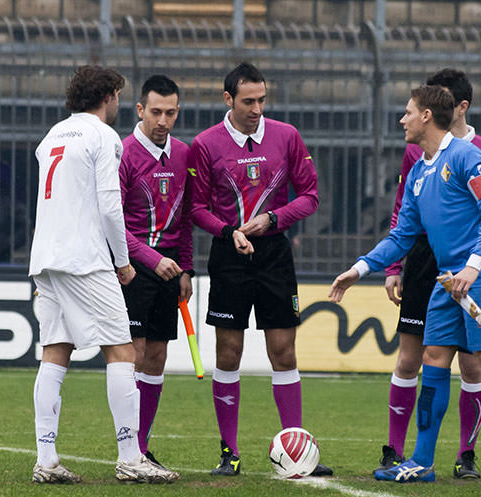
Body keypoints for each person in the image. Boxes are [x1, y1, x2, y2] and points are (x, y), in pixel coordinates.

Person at [330, 85, 481, 486]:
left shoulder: (469, 158)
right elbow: (403, 235)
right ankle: (421, 459)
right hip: (447, 280)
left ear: (426, 117)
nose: (401, 120)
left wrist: (473, 266)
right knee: (433, 357)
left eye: (407, 112)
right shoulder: (419, 170)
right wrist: (361, 268)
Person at [28, 65, 179, 484]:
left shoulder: (52, 136)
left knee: (55, 352)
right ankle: (131, 458)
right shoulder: (103, 136)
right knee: (122, 352)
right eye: (117, 96)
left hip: (46, 257)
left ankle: (46, 459)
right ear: (109, 96)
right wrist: (122, 261)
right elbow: (110, 206)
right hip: (85, 258)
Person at [188, 62, 332, 477]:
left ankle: (297, 451)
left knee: (283, 352)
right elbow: (197, 207)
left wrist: (273, 220)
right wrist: (227, 230)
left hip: (274, 256)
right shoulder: (205, 144)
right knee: (228, 353)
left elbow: (310, 196)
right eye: (248, 101)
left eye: (262, 100)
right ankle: (229, 453)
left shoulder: (287, 136)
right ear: (228, 99)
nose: (256, 108)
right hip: (229, 256)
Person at [378, 68, 481, 479]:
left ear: (460, 107)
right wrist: (391, 265)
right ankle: (396, 451)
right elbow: (402, 209)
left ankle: (466, 455)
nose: (417, 113)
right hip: (426, 259)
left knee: (475, 366)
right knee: (412, 357)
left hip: (476, 265)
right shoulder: (416, 151)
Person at [119, 74, 192, 468]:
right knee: (135, 353)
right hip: (133, 268)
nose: (163, 120)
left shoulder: (183, 153)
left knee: (158, 356)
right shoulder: (124, 153)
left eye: (171, 112)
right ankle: (127, 449)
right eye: (156, 112)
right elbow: (112, 222)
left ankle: (142, 447)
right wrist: (150, 259)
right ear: (140, 110)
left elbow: (184, 220)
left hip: (169, 269)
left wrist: (187, 270)